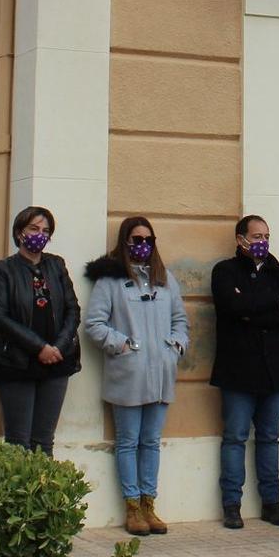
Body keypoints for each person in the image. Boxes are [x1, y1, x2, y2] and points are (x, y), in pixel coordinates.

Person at [85, 217, 188, 537]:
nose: (142, 244)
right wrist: (123, 344)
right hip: (128, 373)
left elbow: (180, 320)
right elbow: (94, 324)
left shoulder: (165, 280)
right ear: (125, 241)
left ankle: (149, 503)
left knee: (151, 442)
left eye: (148, 239)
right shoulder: (110, 282)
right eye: (135, 238)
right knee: (128, 442)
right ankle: (131, 507)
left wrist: (176, 347)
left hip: (160, 374)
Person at [212, 214, 279, 530]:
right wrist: (268, 307)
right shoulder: (225, 271)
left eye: (266, 235)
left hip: (274, 370)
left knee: (269, 437)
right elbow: (230, 307)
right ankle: (231, 504)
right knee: (235, 437)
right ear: (241, 240)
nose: (262, 241)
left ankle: (271, 503)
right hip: (237, 369)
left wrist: (252, 310)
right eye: (256, 235)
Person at [0, 206, 82, 455]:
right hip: (17, 363)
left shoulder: (56, 265)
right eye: (34, 228)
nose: (40, 234)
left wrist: (58, 347)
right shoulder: (3, 270)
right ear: (20, 232)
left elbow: (72, 310)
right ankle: (19, 495)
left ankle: (44, 493)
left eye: (45, 230)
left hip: (57, 362)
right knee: (19, 443)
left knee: (44, 442)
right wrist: (39, 347)